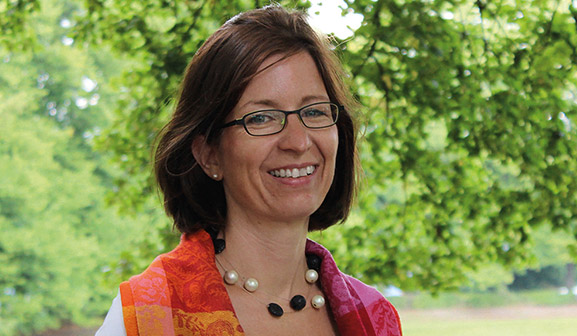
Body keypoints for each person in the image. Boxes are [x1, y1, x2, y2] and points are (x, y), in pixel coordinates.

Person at [96, 5, 402, 336]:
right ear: (209, 153)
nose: (298, 142)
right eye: (261, 118)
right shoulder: (150, 315)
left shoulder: (374, 316)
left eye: (314, 111)